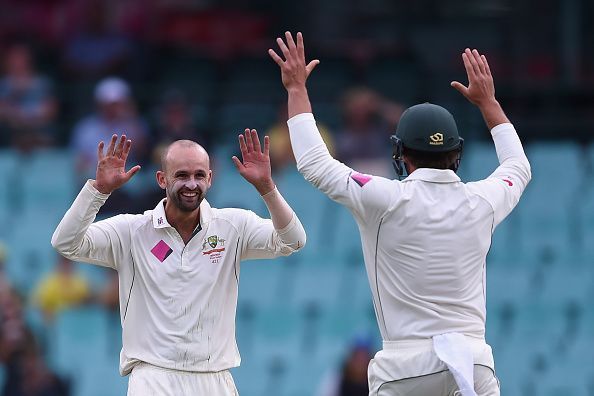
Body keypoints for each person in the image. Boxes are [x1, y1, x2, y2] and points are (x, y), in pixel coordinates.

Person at [269, 32, 531, 395]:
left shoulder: (385, 198)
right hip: (473, 367)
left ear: (402, 156)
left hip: (406, 370)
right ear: (457, 155)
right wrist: (489, 103)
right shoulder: (482, 200)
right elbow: (518, 167)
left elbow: (314, 163)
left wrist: (296, 88)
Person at [51, 130, 306, 395]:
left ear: (210, 177)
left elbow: (293, 240)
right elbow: (65, 243)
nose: (191, 184)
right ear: (162, 179)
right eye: (181, 175)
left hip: (214, 378)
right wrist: (99, 191)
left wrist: (267, 189)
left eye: (199, 175)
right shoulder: (132, 231)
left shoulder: (232, 226)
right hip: (153, 378)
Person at [32, 256, 91, 322]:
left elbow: (88, 301)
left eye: (69, 262)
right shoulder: (48, 280)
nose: (66, 265)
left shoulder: (81, 279)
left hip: (78, 320)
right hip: (56, 322)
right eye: (64, 262)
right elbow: (38, 304)